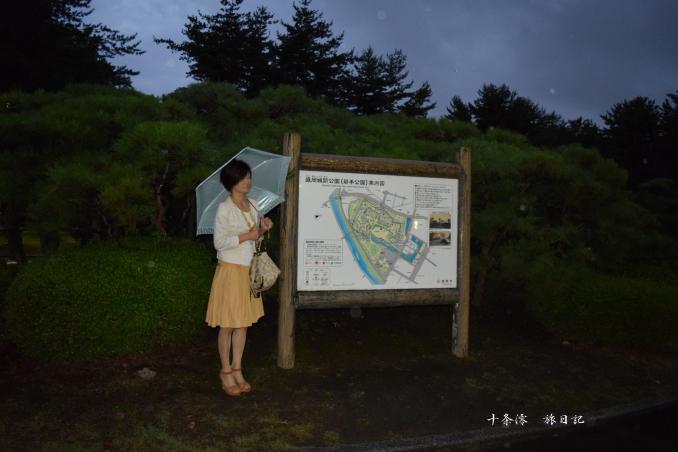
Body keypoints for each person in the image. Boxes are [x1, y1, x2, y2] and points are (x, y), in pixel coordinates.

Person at [205, 159, 273, 396]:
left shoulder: (253, 204)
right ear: (232, 181)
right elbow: (219, 243)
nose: (248, 181)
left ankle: (237, 368)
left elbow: (256, 239)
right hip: (230, 271)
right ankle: (225, 371)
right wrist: (248, 235)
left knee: (243, 324)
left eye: (249, 177)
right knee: (227, 325)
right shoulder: (224, 208)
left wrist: (262, 230)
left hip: (248, 271)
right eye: (243, 177)